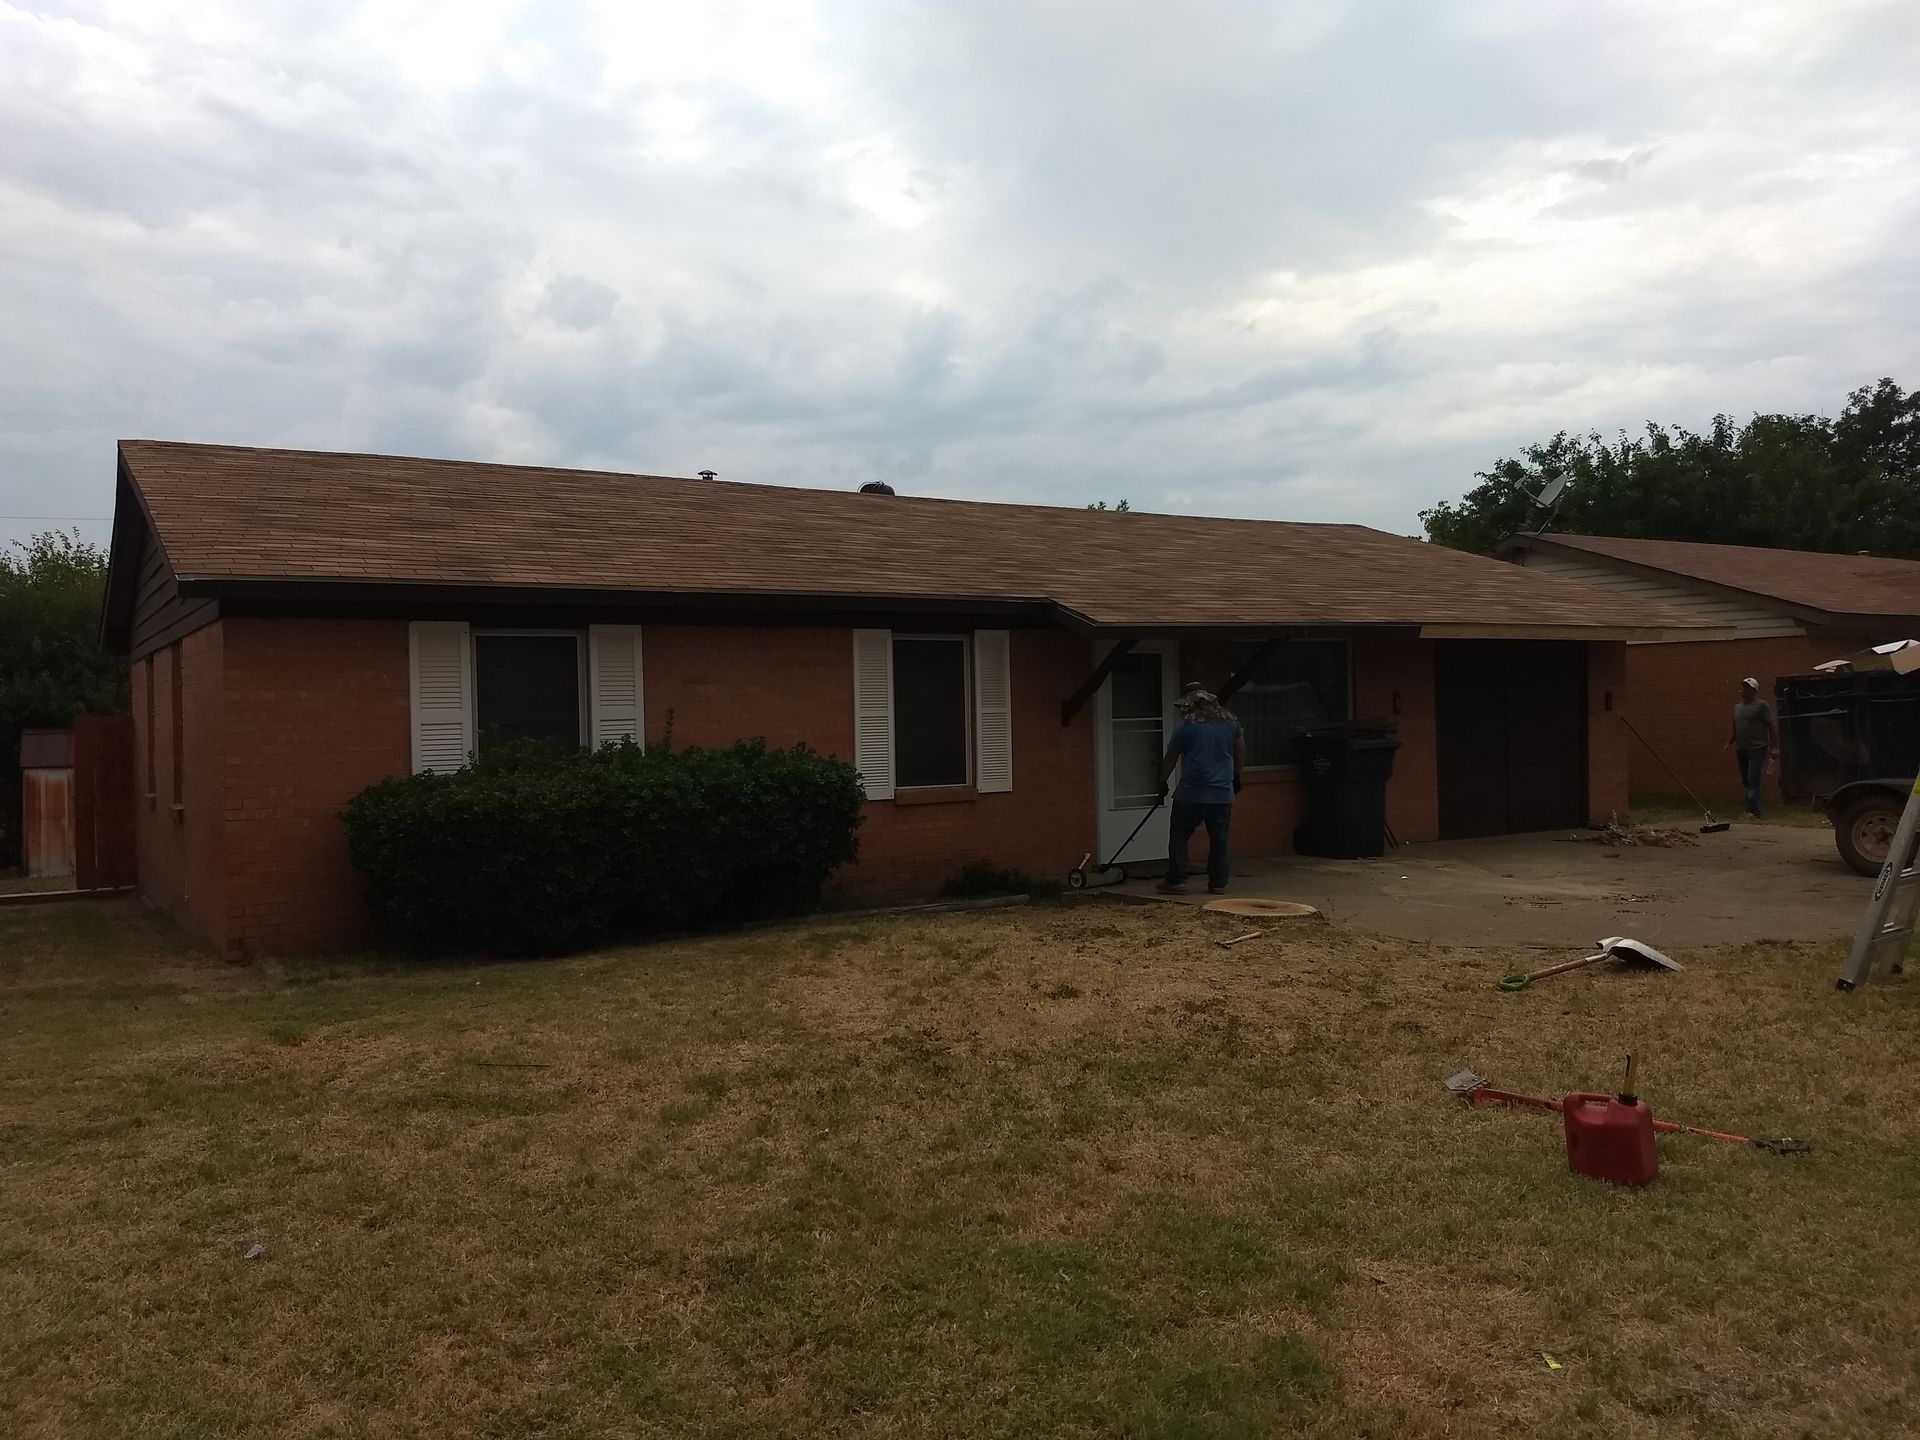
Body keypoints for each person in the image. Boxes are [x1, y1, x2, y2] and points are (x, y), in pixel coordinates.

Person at [1156, 683, 1246, 895]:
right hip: (1222, 793)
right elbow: (1240, 749)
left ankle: (1177, 880)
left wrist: (1161, 782)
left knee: (1179, 834)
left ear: (1189, 705)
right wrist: (1237, 777)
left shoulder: (1185, 725)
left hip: (1191, 792)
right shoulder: (1230, 722)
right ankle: (1218, 884)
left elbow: (1171, 756)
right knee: (1219, 839)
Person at [1725, 676, 1778, 820]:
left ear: (1753, 691)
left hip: (1758, 747)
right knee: (1746, 780)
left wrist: (1774, 748)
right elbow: (1736, 728)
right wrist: (1730, 742)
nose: (1743, 690)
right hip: (1741, 749)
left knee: (1753, 778)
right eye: (1743, 687)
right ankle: (1751, 803)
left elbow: (1772, 726)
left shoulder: (1761, 706)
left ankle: (1753, 811)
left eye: (1747, 688)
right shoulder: (1737, 708)